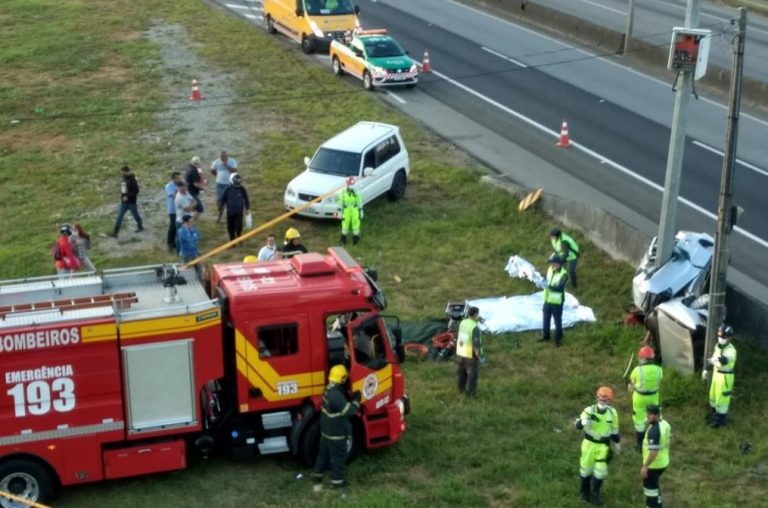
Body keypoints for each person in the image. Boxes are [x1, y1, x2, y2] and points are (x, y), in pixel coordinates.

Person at [312, 364, 361, 491]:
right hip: (336, 433)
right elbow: (348, 410)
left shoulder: (327, 389)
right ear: (342, 379)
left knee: (323, 455)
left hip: (326, 432)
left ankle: (317, 476)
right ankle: (337, 483)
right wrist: (356, 400)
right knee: (338, 458)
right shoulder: (336, 396)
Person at [575, 386, 621, 506]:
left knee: (600, 472)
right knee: (585, 471)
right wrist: (583, 422)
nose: (602, 402)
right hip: (589, 444)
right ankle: (585, 494)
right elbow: (578, 424)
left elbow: (614, 430)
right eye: (600, 399)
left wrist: (617, 443)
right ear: (597, 398)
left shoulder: (612, 413)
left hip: (603, 446)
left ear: (610, 401)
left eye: (605, 400)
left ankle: (595, 493)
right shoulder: (589, 410)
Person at [628, 346, 663, 451]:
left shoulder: (637, 370)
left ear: (643, 358)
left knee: (639, 420)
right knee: (654, 417)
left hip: (639, 397)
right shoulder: (659, 370)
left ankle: (639, 444)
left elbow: (631, 386)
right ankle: (654, 440)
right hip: (653, 396)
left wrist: (630, 386)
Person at [706, 324, 737, 428]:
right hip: (716, 375)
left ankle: (720, 421)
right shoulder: (717, 346)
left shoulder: (731, 350)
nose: (721, 339)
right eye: (720, 336)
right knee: (713, 397)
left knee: (722, 400)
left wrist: (718, 359)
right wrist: (707, 368)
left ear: (729, 337)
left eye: (723, 337)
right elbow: (714, 357)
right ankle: (714, 415)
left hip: (725, 377)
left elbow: (725, 360)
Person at [640, 404, 671, 508]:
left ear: (657, 416)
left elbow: (653, 452)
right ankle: (659, 503)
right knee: (655, 484)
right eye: (647, 413)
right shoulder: (665, 424)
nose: (647, 416)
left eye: (650, 414)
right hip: (664, 461)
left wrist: (645, 466)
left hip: (654, 465)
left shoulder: (654, 431)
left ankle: (652, 505)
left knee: (650, 489)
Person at [540, 254, 568, 347]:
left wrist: (548, 286)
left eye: (553, 263)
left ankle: (558, 339)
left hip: (557, 302)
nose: (551, 265)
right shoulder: (550, 269)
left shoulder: (564, 274)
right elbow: (546, 279)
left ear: (558, 264)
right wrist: (541, 281)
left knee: (557, 321)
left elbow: (559, 288)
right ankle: (546, 336)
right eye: (551, 263)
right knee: (546, 319)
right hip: (547, 300)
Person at [109, 165, 143, 237]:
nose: (121, 174)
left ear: (126, 172)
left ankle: (140, 225)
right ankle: (115, 233)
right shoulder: (123, 179)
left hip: (131, 203)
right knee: (119, 217)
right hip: (123, 202)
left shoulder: (133, 180)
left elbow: (136, 191)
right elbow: (123, 189)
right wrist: (122, 197)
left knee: (135, 215)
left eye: (122, 172)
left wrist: (127, 197)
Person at [456, 306, 482, 397]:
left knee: (462, 372)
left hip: (461, 350)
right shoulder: (475, 327)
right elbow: (476, 344)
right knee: (472, 374)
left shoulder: (463, 322)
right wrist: (478, 356)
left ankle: (460, 389)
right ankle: (471, 394)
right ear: (475, 314)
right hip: (470, 354)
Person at [218, 173, 250, 241]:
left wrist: (247, 208)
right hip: (230, 211)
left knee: (239, 226)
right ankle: (232, 241)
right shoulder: (227, 189)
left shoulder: (242, 189)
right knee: (230, 226)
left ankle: (239, 238)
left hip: (239, 211)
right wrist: (220, 206)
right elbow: (223, 199)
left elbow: (246, 198)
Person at [338, 176, 363, 245]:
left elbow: (359, 201)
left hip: (354, 209)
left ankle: (356, 238)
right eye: (350, 184)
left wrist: (361, 210)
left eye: (352, 184)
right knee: (345, 223)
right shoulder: (342, 192)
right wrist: (340, 212)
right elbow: (340, 202)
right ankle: (343, 238)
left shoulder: (356, 192)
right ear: (347, 184)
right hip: (346, 210)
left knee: (355, 222)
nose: (351, 186)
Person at [165, 171, 182, 251]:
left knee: (178, 227)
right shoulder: (169, 186)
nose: (179, 180)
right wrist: (178, 190)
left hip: (180, 210)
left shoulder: (180, 185)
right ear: (173, 179)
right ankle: (169, 243)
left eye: (180, 178)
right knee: (173, 226)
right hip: (173, 209)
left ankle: (176, 243)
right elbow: (173, 196)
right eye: (178, 178)